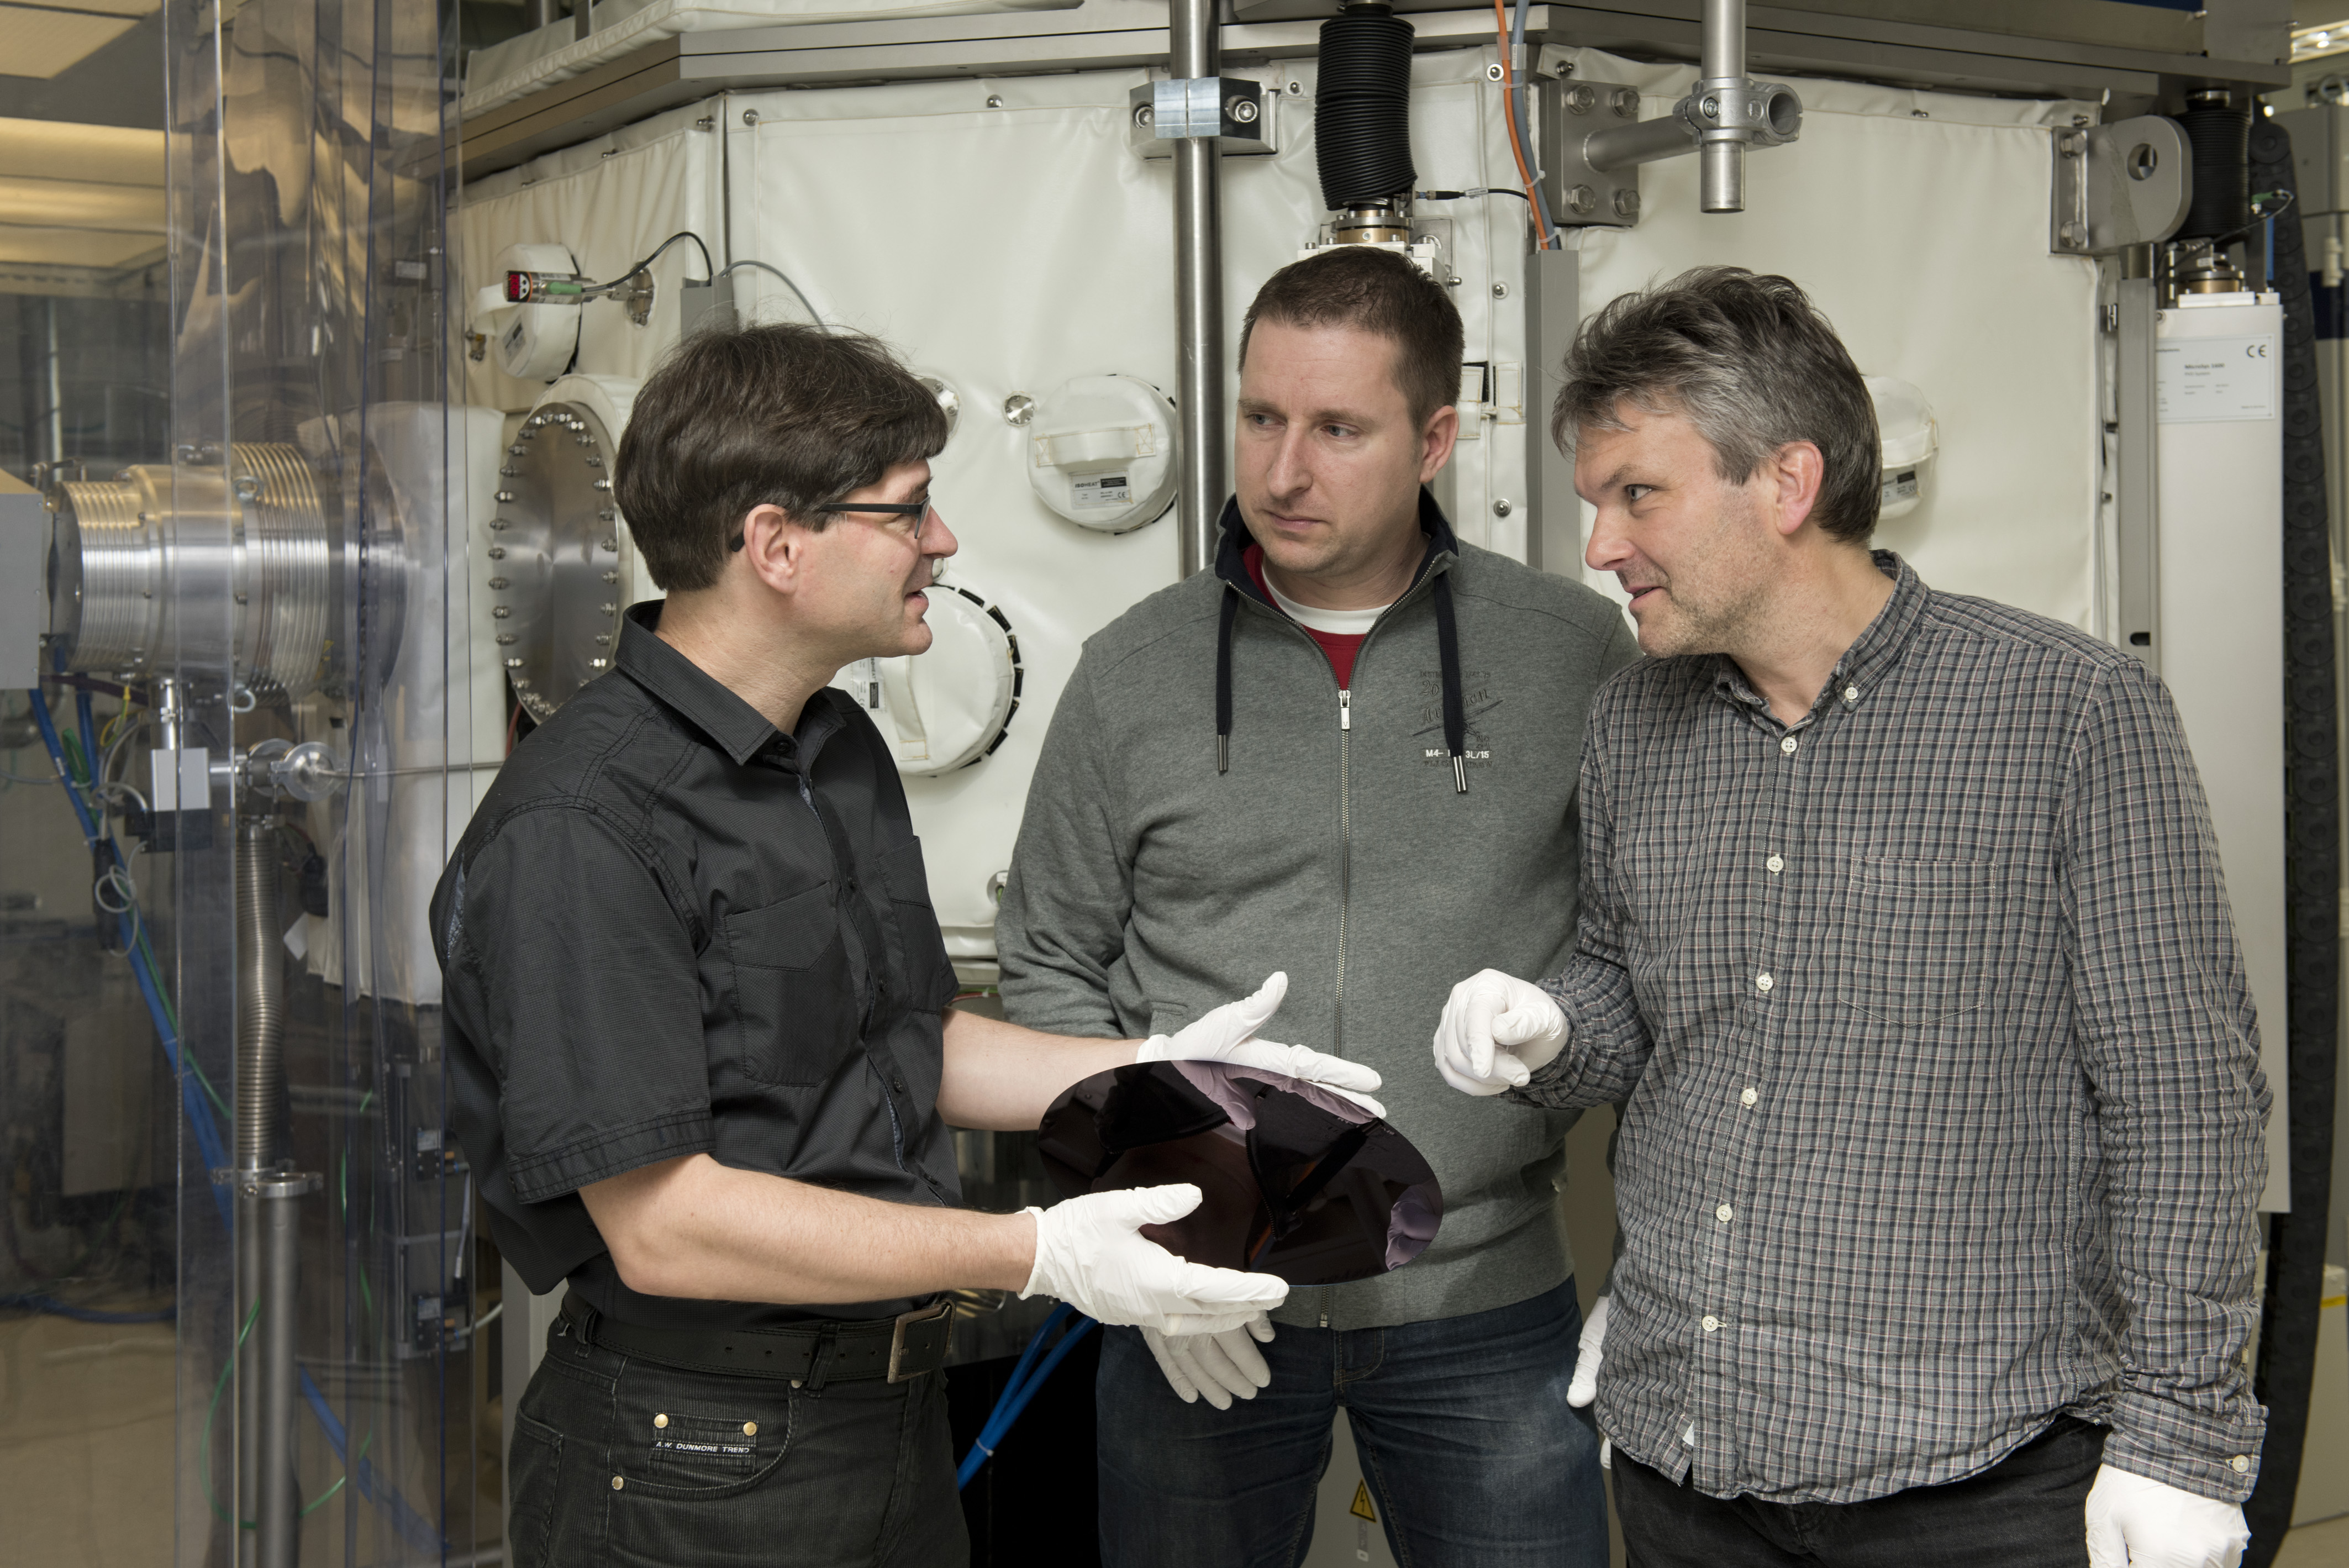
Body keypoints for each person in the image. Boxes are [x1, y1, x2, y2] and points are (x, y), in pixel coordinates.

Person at [429, 323, 1383, 1567]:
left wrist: (1147, 1071)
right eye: (907, 511)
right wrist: (1032, 1253)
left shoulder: (833, 749)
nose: (941, 543)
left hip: (878, 1423)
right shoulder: (585, 826)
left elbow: (904, 1044)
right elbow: (665, 1224)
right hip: (689, 1461)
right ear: (776, 544)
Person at [1431, 266, 2266, 1568]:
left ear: (1785, 483)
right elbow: (1631, 1001)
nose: (1598, 547)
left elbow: (2185, 1103)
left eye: (1635, 495)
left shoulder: (2070, 715)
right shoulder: (1631, 725)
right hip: (1684, 1459)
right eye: (1594, 502)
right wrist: (1548, 1026)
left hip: (1973, 1483)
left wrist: (2181, 1438)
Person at [997, 244, 1638, 1567]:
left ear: (1435, 439)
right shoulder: (1132, 672)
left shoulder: (1572, 654)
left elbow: (1639, 949)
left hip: (1484, 1299)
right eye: (1260, 417)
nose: (1283, 471)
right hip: (1196, 1288)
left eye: (1338, 429)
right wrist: (1159, 1214)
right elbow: (1049, 964)